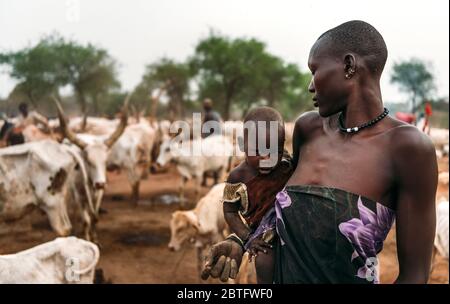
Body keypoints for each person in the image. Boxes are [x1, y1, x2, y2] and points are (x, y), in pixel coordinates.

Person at [202, 20, 438, 284]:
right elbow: (279, 207)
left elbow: (415, 275)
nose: (310, 86)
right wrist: (240, 240)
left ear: (349, 66)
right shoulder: (309, 129)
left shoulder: (408, 149)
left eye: (314, 71)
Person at [222, 106, 293, 283]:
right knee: (264, 262)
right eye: (257, 150)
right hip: (264, 236)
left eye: (273, 151)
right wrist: (248, 238)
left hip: (293, 228)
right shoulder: (237, 177)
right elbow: (230, 212)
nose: (265, 157)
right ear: (242, 144)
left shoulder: (287, 167)